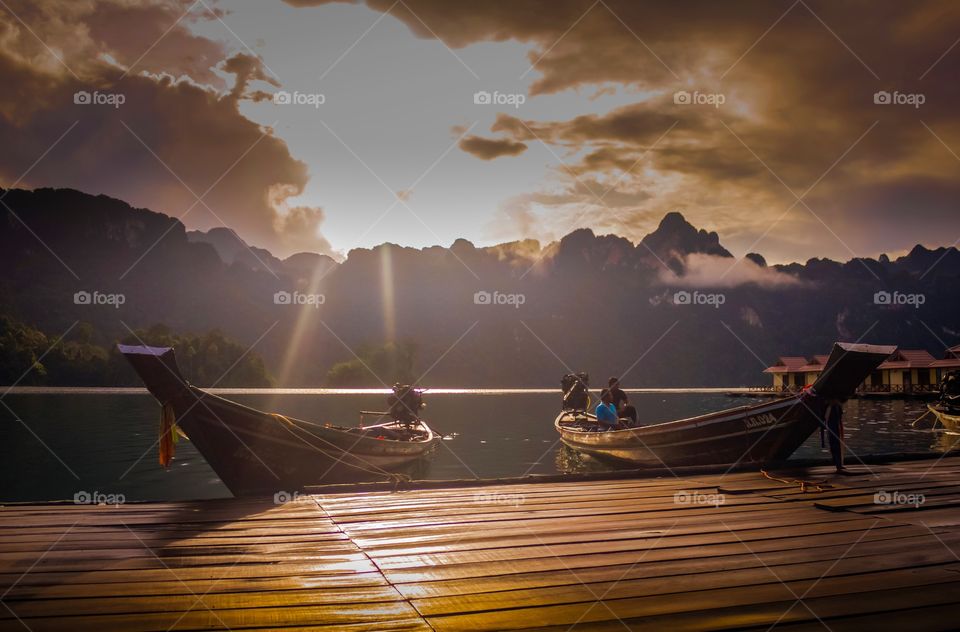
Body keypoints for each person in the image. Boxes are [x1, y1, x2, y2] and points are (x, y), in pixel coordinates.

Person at [821, 397, 846, 473]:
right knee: (834, 444)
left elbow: (839, 416)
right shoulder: (830, 406)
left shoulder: (836, 406)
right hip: (832, 425)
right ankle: (838, 464)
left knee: (836, 444)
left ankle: (838, 464)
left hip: (835, 425)